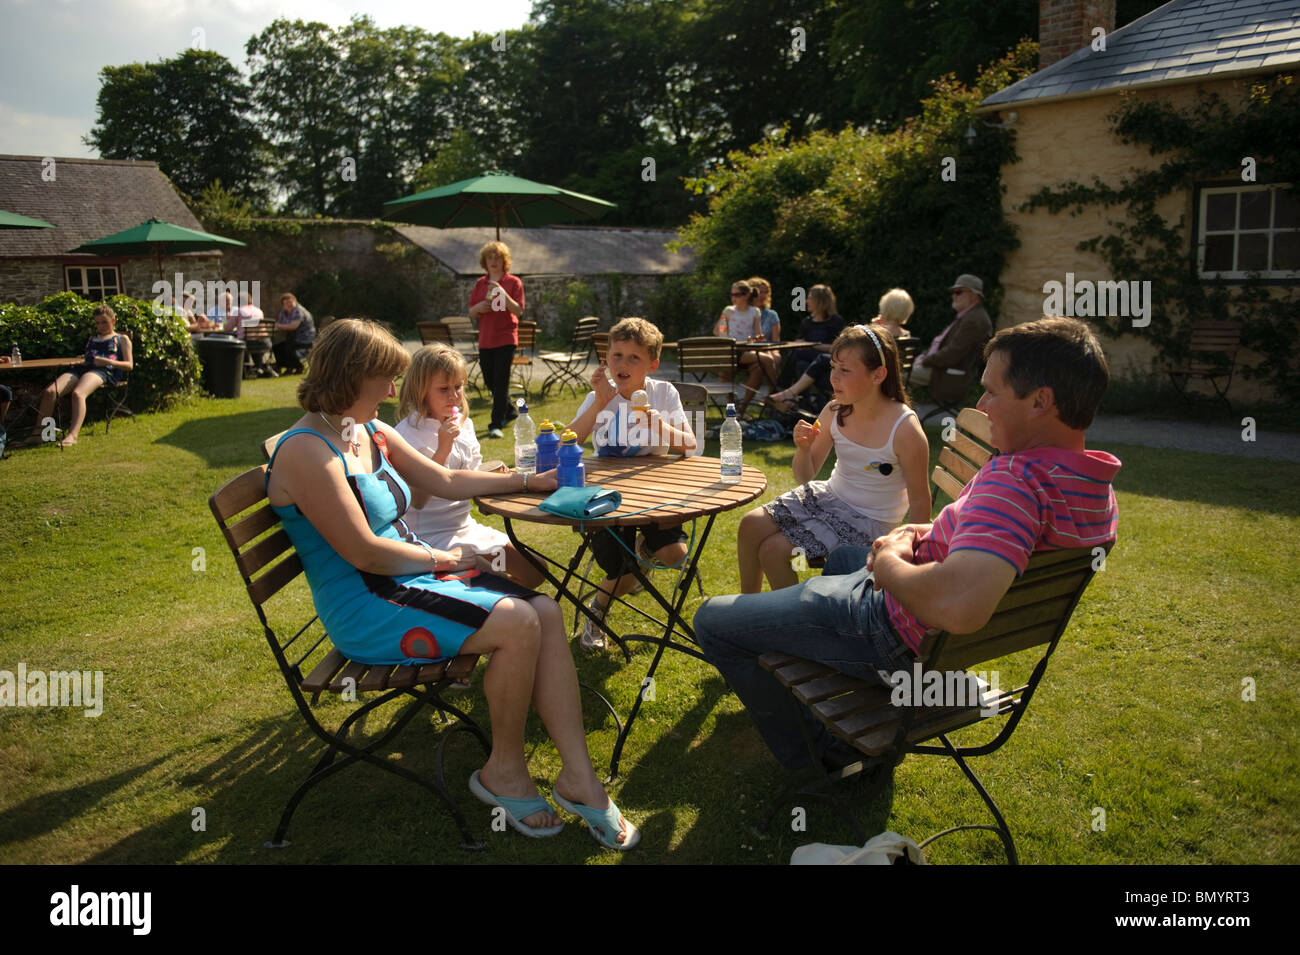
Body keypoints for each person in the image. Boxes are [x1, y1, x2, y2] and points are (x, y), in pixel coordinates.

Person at [265, 318, 638, 848]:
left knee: (546, 611)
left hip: (405, 579)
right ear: (351, 376)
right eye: (385, 378)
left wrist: (528, 479)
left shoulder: (367, 431)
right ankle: (503, 772)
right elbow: (362, 551)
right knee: (516, 620)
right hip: (369, 603)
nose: (395, 390)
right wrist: (446, 558)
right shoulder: (307, 450)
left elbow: (444, 480)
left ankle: (579, 778)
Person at [694, 316, 1120, 770]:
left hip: (890, 635)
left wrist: (889, 559)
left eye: (992, 391)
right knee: (840, 557)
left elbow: (957, 607)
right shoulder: (1093, 487)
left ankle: (824, 757)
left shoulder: (1015, 482)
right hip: (925, 641)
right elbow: (985, 543)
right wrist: (920, 533)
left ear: (1041, 401)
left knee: (713, 620)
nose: (981, 404)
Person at [737, 325, 930, 593]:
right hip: (830, 497)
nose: (834, 378)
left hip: (869, 522)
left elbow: (920, 501)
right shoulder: (835, 410)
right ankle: (748, 610)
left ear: (878, 375)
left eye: (845, 371)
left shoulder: (904, 428)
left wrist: (907, 550)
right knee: (750, 524)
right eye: (833, 367)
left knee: (773, 551)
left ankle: (792, 625)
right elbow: (805, 475)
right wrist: (804, 449)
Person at [567, 317, 697, 651]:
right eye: (617, 355)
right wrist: (598, 401)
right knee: (620, 568)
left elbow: (690, 444)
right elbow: (570, 442)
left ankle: (643, 550)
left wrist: (658, 423)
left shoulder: (663, 393)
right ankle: (596, 613)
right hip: (606, 494)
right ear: (606, 359)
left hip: (653, 490)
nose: (623, 364)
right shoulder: (601, 395)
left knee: (674, 554)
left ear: (651, 364)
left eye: (633, 358)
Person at [393, 343, 542, 588]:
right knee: (498, 583)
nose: (454, 396)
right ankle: (502, 609)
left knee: (536, 571)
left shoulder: (466, 425)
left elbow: (472, 475)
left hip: (465, 526)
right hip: (428, 537)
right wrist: (442, 449)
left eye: (458, 387)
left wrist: (496, 476)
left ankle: (509, 606)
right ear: (420, 391)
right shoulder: (406, 435)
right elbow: (417, 500)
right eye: (443, 389)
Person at [770, 287, 914, 412]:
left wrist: (873, 327)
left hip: (863, 379)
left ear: (886, 307)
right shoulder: (905, 334)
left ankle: (787, 392)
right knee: (803, 363)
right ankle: (794, 398)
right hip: (878, 379)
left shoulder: (880, 334)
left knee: (819, 360)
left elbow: (860, 354)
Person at [20, 304, 133, 448]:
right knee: (50, 392)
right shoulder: (93, 339)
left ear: (113, 321)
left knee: (78, 394)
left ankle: (72, 435)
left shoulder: (121, 339)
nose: (101, 326)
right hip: (82, 368)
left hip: (103, 371)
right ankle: (38, 435)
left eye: (104, 322)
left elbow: (130, 365)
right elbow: (87, 356)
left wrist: (107, 361)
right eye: (97, 323)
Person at [467, 241, 525, 438]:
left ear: (504, 261)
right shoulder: (480, 283)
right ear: (485, 261)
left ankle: (495, 423)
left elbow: (518, 310)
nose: (493, 261)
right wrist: (480, 307)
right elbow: (472, 311)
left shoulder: (514, 282)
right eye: (490, 257)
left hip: (506, 338)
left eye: (497, 257)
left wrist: (503, 293)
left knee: (501, 382)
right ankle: (509, 411)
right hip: (486, 339)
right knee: (490, 382)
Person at [910, 274, 993, 406]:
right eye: (953, 292)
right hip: (942, 370)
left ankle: (891, 417)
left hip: (948, 376)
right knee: (898, 373)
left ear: (974, 296)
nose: (953, 296)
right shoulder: (969, 316)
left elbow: (952, 354)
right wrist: (923, 357)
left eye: (958, 292)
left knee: (896, 376)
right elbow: (943, 346)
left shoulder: (974, 320)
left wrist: (924, 361)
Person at [775, 283, 845, 392]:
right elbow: (799, 342)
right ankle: (805, 402)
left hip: (828, 359)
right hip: (808, 358)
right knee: (800, 365)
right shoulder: (807, 322)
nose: (806, 301)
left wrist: (813, 345)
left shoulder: (835, 321)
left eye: (810, 298)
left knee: (797, 354)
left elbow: (836, 348)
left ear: (820, 300)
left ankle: (781, 387)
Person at [226, 292, 275, 378]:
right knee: (252, 340)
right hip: (264, 342)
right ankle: (259, 367)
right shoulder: (259, 310)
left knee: (239, 342)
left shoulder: (239, 311)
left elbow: (228, 328)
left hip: (247, 343)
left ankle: (244, 370)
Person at [273, 293, 315, 375]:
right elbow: (279, 324)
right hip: (292, 338)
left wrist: (279, 326)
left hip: (305, 338)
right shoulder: (284, 312)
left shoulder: (298, 311)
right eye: (286, 303)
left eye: (290, 302)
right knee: (277, 347)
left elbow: (293, 326)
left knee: (289, 347)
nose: (288, 305)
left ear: (295, 301)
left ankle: (299, 367)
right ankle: (287, 367)